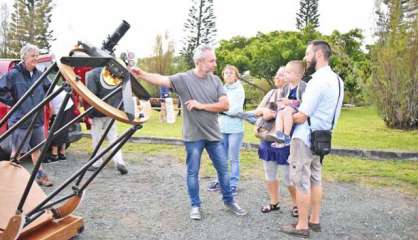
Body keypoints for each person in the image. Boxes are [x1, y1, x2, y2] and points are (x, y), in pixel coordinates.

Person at [131, 45, 247, 220]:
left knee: (223, 170)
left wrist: (201, 105)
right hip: (193, 137)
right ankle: (195, 206)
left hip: (214, 136)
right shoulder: (183, 79)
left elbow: (225, 105)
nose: (215, 63)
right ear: (200, 62)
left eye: (214, 60)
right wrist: (141, 74)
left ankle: (229, 201)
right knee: (193, 172)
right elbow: (161, 79)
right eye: (212, 60)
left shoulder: (215, 81)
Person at [280, 40, 344, 238]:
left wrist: (286, 113)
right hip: (322, 138)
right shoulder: (338, 81)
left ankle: (301, 225)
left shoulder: (317, 81)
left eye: (308, 54)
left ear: (318, 55)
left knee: (301, 181)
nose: (305, 58)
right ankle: (314, 220)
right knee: (316, 179)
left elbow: (302, 115)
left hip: (305, 138)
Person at [0, 44, 53, 187]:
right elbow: (1, 89)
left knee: (37, 150)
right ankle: (10, 180)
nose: (36, 58)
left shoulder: (39, 74)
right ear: (24, 57)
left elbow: (50, 88)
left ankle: (40, 176)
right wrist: (14, 102)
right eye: (33, 56)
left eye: (37, 55)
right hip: (20, 120)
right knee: (16, 153)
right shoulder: (13, 74)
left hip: (37, 120)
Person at [254, 66, 297, 215]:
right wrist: (265, 112)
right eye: (276, 75)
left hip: (285, 141)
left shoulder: (294, 94)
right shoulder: (271, 93)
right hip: (267, 138)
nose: (277, 77)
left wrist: (275, 114)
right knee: (269, 173)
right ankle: (274, 203)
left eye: (282, 75)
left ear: (289, 76)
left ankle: (297, 205)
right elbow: (257, 111)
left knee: (288, 176)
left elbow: (298, 115)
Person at [207, 65, 245, 196]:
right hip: (222, 127)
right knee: (221, 157)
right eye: (226, 73)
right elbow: (217, 104)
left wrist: (221, 109)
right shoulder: (222, 89)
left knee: (233, 158)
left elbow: (235, 110)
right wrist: (221, 108)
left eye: (231, 73)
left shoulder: (239, 89)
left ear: (236, 75)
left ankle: (233, 184)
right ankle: (220, 181)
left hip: (235, 129)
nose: (228, 75)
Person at [85, 67, 128, 175]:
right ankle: (119, 162)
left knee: (97, 138)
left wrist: (88, 114)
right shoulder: (117, 72)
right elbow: (122, 92)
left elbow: (91, 95)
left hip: (98, 112)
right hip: (112, 110)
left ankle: (96, 162)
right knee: (113, 138)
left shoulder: (92, 74)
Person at [266, 60, 307, 146]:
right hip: (287, 108)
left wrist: (291, 102)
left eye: (288, 73)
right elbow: (282, 99)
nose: (285, 75)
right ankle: (279, 135)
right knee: (280, 112)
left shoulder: (303, 86)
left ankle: (286, 136)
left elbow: (305, 102)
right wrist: (281, 104)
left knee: (287, 111)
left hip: (298, 108)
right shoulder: (286, 87)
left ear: (298, 75)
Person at [48, 85, 74, 162]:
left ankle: (54, 154)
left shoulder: (46, 89)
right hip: (68, 104)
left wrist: (49, 120)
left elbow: (51, 110)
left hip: (63, 106)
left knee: (56, 129)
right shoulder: (50, 84)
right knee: (64, 129)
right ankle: (62, 153)